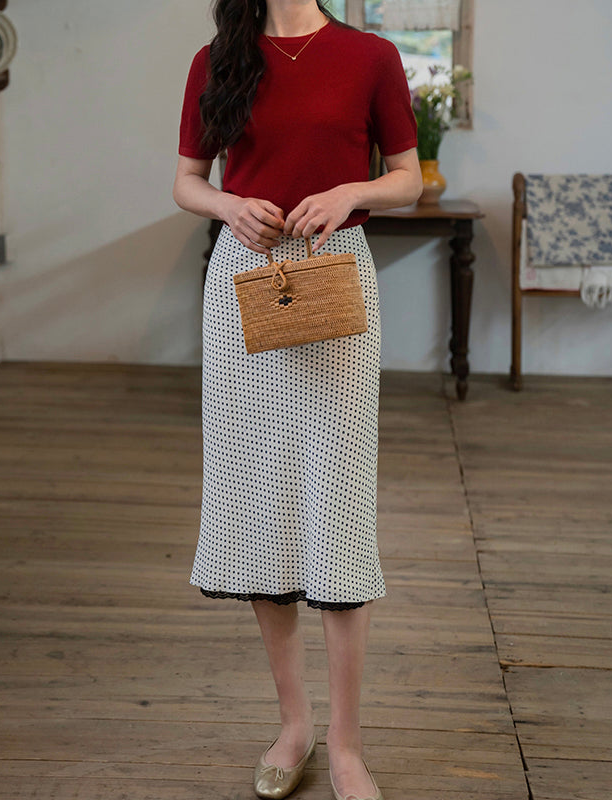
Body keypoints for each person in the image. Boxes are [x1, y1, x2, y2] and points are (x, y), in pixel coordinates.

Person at [173, 1, 421, 798]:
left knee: (339, 503)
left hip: (334, 275)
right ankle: (294, 725)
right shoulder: (218, 59)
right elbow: (186, 182)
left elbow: (411, 178)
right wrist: (228, 206)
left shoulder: (369, 55)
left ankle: (347, 746)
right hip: (243, 279)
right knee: (262, 501)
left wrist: (352, 190)